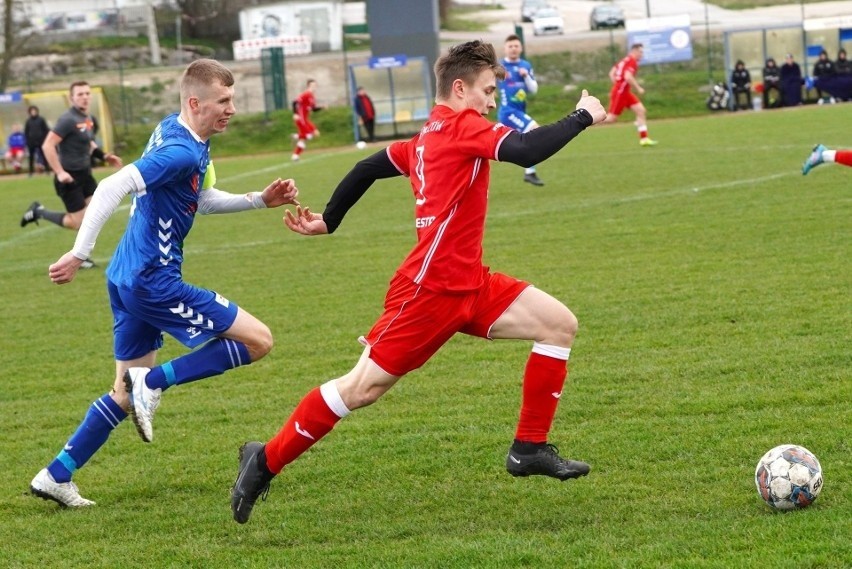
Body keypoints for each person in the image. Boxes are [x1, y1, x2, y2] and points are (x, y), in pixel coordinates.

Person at [230, 39, 607, 525]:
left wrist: (331, 219)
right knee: (361, 388)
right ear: (459, 87)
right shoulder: (459, 127)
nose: (492, 101)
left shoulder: (427, 135)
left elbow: (368, 167)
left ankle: (529, 447)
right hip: (428, 291)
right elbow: (526, 149)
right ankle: (263, 461)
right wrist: (582, 115)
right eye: (487, 90)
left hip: (469, 282)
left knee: (558, 325)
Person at [29, 59, 300, 509]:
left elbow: (204, 199)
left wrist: (259, 200)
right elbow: (116, 185)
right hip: (153, 279)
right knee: (258, 340)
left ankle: (56, 475)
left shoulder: (180, 133)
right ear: (196, 103)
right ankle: (154, 382)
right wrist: (79, 252)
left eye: (232, 99)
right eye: (224, 101)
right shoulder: (181, 152)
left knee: (121, 392)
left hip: (126, 275)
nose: (231, 108)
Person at [20, 81, 123, 269]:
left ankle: (81, 257)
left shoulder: (89, 118)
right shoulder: (67, 120)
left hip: (85, 175)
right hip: (69, 179)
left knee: (94, 215)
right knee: (77, 223)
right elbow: (47, 145)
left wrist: (104, 156)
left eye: (87, 93)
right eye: (80, 94)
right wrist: (60, 172)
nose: (84, 97)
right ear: (72, 98)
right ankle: (39, 212)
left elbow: (89, 143)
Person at [497, 34, 545, 186]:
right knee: (535, 130)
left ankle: (530, 172)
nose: (513, 49)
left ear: (521, 48)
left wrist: (526, 77)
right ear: (505, 49)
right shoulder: (499, 67)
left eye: (516, 46)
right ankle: (529, 171)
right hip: (508, 111)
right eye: (510, 46)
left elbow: (534, 89)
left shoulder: (525, 65)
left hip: (520, 111)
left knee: (505, 145)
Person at [603, 43, 657, 146]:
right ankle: (584, 122)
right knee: (611, 118)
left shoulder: (625, 60)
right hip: (621, 92)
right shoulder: (632, 62)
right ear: (634, 51)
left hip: (623, 91)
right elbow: (628, 77)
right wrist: (638, 88)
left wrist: (617, 84)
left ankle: (644, 139)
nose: (642, 54)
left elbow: (611, 73)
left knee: (641, 110)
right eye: (640, 52)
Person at [291, 78, 326, 162]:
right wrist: (295, 113)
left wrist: (322, 107)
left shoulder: (312, 96)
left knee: (312, 135)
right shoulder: (305, 94)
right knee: (309, 135)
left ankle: (295, 155)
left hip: (306, 119)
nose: (314, 87)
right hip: (301, 119)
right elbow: (294, 102)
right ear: (308, 86)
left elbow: (313, 109)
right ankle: (295, 136)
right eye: (313, 85)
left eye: (315, 85)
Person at [24, 105, 50, 176]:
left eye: (34, 111)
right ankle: (30, 172)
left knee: (44, 156)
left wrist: (45, 139)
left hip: (41, 141)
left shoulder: (41, 119)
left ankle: (47, 171)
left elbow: (46, 130)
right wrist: (28, 141)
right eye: (32, 111)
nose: (33, 112)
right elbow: (26, 132)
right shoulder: (28, 121)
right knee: (31, 157)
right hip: (31, 142)